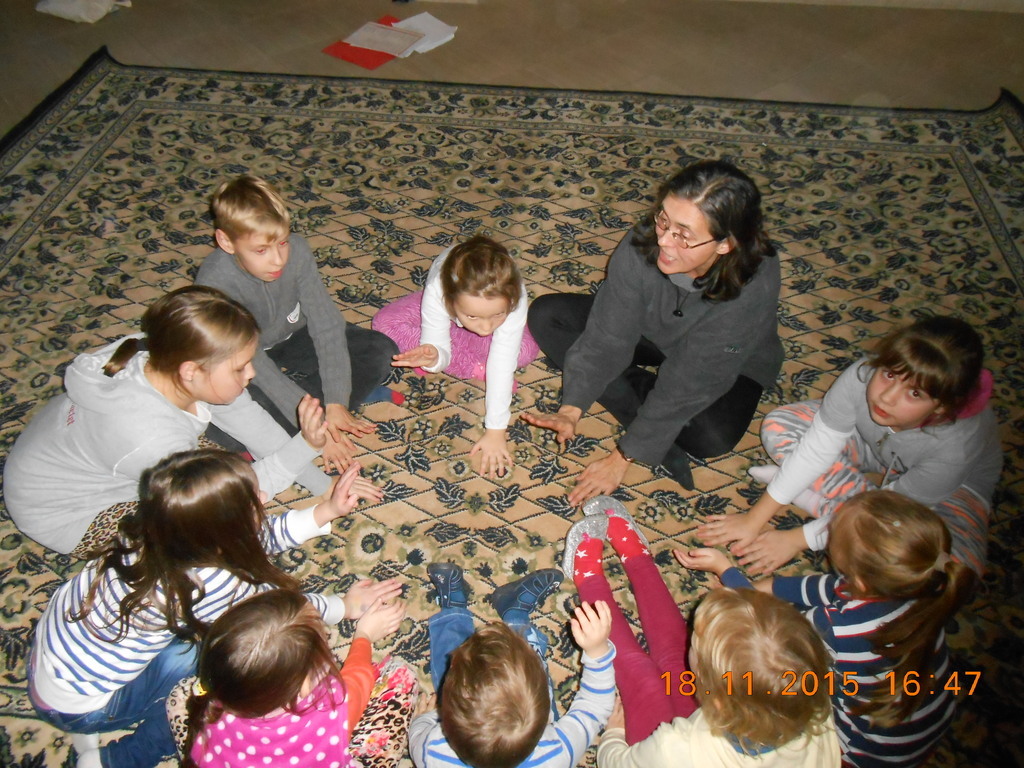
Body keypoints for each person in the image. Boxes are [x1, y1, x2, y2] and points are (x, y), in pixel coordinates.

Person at [27, 449, 400, 768]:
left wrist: (324, 510)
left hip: (53, 671)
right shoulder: (206, 584)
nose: (265, 496)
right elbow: (274, 616)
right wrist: (342, 606)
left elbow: (253, 538)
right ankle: (119, 759)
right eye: (254, 499)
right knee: (224, 673)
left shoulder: (155, 533)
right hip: (86, 707)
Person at [4, 285, 332, 557]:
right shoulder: (149, 439)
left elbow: (246, 418)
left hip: (85, 458)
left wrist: (322, 485)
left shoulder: (162, 350)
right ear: (191, 372)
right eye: (239, 367)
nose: (252, 373)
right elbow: (224, 497)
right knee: (212, 536)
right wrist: (304, 446)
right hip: (70, 516)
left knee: (227, 457)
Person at [523, 160, 781, 504]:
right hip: (652, 330)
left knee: (711, 437)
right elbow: (608, 333)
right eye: (663, 219)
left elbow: (693, 381)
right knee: (547, 316)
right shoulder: (646, 240)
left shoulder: (753, 286)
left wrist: (624, 456)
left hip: (725, 360)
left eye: (683, 235)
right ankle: (645, 407)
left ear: (725, 244)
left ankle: (641, 407)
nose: (663, 240)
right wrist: (571, 408)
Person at [680, 490, 975, 768]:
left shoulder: (837, 629)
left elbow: (762, 631)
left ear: (858, 579)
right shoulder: (920, 588)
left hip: (865, 754)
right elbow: (823, 588)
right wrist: (754, 587)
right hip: (921, 726)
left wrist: (726, 571)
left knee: (764, 686)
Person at [699, 315, 1003, 577]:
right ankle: (843, 510)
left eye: (914, 394)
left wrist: (798, 538)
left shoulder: (956, 448)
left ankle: (824, 504)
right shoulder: (863, 375)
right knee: (780, 427)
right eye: (889, 374)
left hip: (952, 493)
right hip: (871, 446)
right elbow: (817, 449)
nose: (886, 397)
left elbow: (892, 513)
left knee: (948, 571)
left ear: (941, 406)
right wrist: (754, 519)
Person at [565, 499, 838, 767]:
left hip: (670, 758)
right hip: (722, 726)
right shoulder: (810, 706)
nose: (691, 632)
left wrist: (613, 736)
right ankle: (639, 561)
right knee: (676, 655)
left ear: (713, 697)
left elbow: (617, 763)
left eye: (695, 640)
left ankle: (589, 581)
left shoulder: (674, 749)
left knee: (643, 678)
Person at [196, 175, 400, 474]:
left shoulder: (298, 251)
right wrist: (316, 426)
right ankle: (312, 415)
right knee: (228, 423)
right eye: (261, 250)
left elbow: (326, 324)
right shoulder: (215, 282)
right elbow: (256, 363)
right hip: (243, 357)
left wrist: (336, 400)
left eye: (282, 242)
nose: (278, 260)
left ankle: (322, 410)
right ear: (226, 241)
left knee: (380, 349)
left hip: (294, 335)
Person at [409, 563, 616, 768]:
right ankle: (516, 614)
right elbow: (594, 707)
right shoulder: (557, 754)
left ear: (448, 721)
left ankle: (452, 609)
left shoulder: (433, 753)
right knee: (522, 664)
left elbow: (416, 738)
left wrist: (424, 719)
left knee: (455, 662)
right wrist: (597, 650)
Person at [373, 234, 539, 478]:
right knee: (384, 324)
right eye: (473, 316)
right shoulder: (438, 291)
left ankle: (472, 356)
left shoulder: (515, 297)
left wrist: (496, 431)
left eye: (497, 314)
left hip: (463, 327)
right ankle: (477, 364)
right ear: (451, 303)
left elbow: (503, 361)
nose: (485, 328)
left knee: (525, 351)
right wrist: (434, 357)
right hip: (443, 313)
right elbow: (437, 347)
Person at [184, 588, 406, 768]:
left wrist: (343, 604)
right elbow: (358, 680)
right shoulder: (330, 706)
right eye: (323, 636)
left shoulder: (219, 690)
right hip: (333, 742)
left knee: (180, 693)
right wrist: (364, 635)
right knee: (401, 676)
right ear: (305, 685)